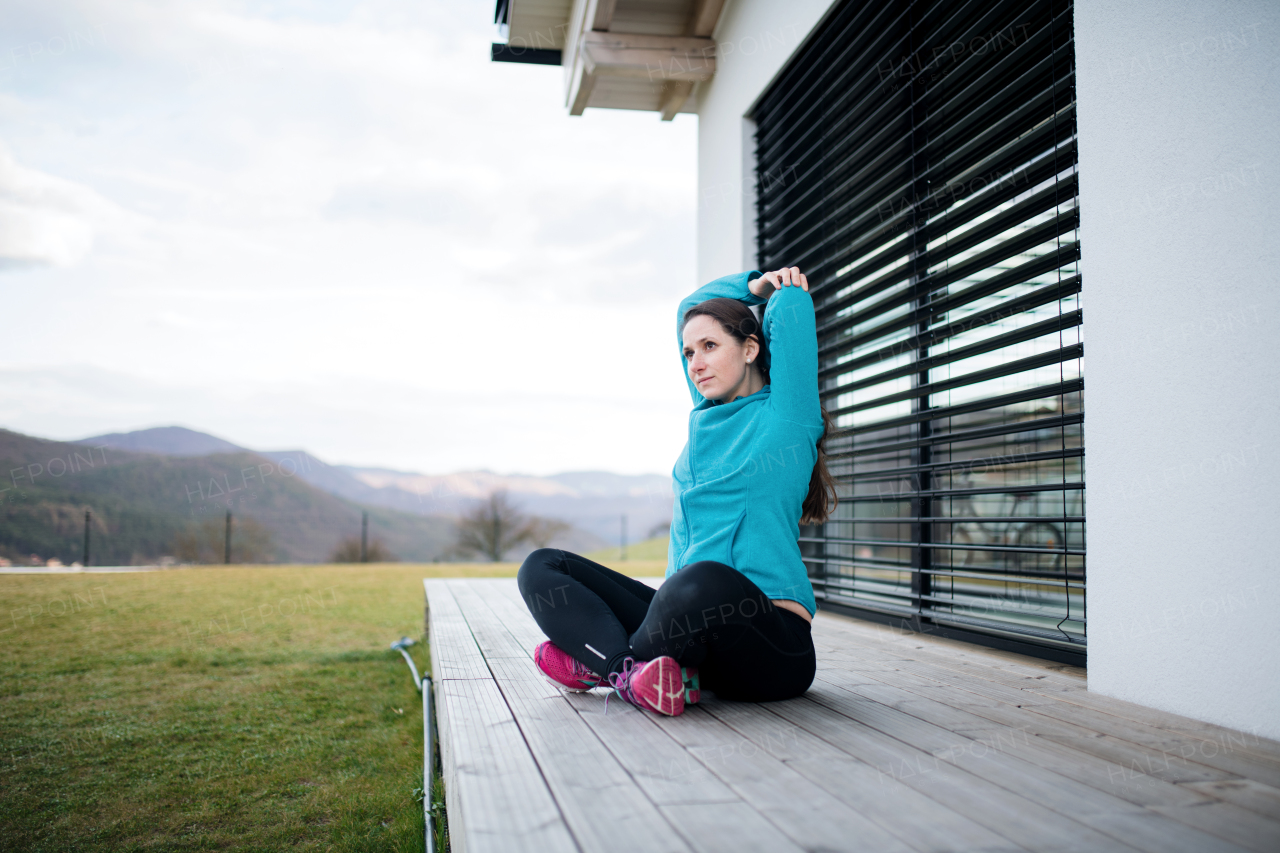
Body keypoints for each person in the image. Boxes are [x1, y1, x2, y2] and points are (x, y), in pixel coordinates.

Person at [517, 266, 836, 715]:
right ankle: (628, 672)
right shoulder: (704, 416)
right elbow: (689, 309)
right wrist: (746, 288)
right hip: (683, 625)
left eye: (710, 347)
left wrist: (774, 288)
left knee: (701, 580)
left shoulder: (787, 416)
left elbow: (788, 311)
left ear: (750, 348)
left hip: (769, 645)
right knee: (542, 565)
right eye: (688, 352)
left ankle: (597, 662)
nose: (696, 363)